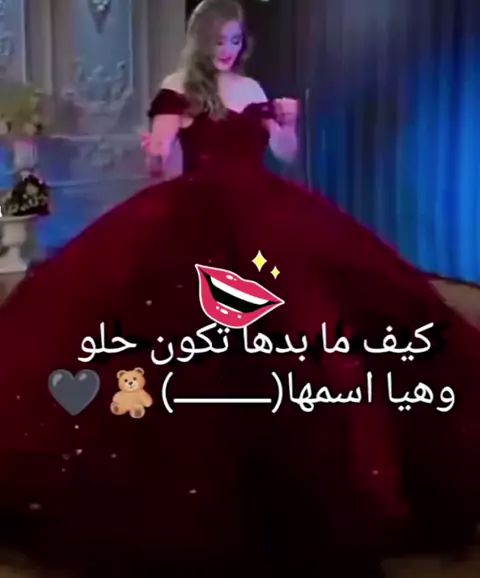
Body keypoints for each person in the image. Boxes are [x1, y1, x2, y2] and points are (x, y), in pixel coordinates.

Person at [0, 0, 480, 576]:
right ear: (200, 40)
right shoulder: (178, 87)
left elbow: (283, 157)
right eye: (219, 40)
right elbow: (166, 168)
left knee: (309, 320)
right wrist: (158, 150)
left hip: (267, 211)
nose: (227, 49)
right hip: (195, 209)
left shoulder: (253, 87)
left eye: (235, 39)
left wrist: (287, 127)